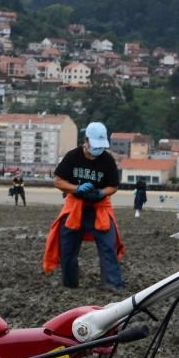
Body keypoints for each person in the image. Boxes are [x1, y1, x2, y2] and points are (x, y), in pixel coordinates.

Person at [42, 122, 125, 291]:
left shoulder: (107, 160)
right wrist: (76, 188)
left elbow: (114, 186)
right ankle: (69, 284)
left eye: (101, 146)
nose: (98, 150)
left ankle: (113, 285)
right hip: (75, 207)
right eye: (95, 145)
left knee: (109, 246)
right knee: (67, 248)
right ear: (86, 141)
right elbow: (58, 181)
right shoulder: (73, 156)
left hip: (99, 208)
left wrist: (102, 193)